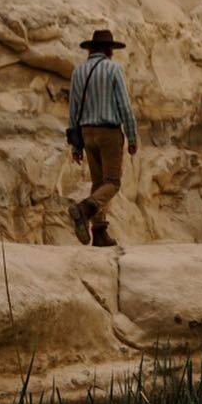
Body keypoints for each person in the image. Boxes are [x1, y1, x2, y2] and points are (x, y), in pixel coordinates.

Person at [66, 27, 138, 249]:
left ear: (91, 49)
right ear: (109, 50)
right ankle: (85, 209)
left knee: (98, 182)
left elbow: (73, 109)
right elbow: (124, 105)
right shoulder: (113, 69)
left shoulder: (79, 71)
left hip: (87, 132)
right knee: (113, 182)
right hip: (109, 131)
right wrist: (132, 136)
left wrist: (75, 144)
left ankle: (99, 233)